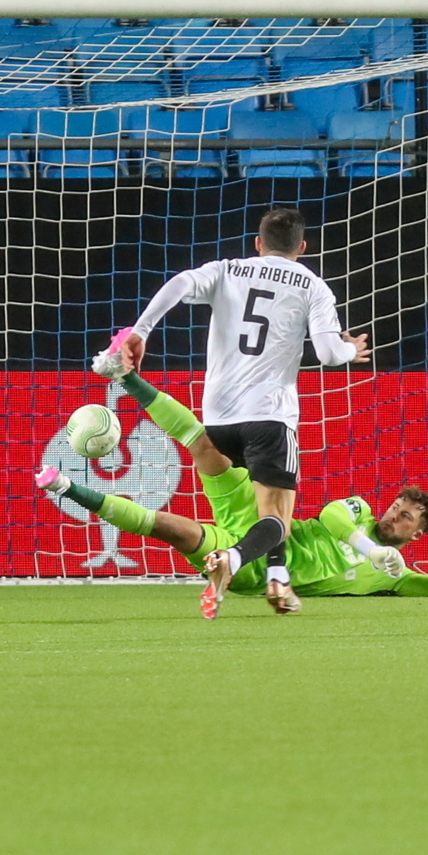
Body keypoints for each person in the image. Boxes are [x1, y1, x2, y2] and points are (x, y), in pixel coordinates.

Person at [35, 370, 428, 608]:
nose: (394, 516)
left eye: (405, 519)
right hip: (263, 523)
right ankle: (126, 376)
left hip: (259, 571)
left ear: (416, 535)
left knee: (172, 529)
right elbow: (331, 516)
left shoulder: (393, 580)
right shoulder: (359, 514)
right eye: (397, 507)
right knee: (203, 444)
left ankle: (68, 488)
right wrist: (371, 547)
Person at [100, 206, 371, 614]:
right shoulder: (313, 285)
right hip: (270, 417)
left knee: (269, 511)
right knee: (277, 516)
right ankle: (233, 559)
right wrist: (353, 348)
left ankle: (278, 581)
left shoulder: (228, 269)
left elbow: (180, 282)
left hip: (219, 419)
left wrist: (140, 331)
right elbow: (331, 354)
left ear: (258, 244)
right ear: (302, 246)